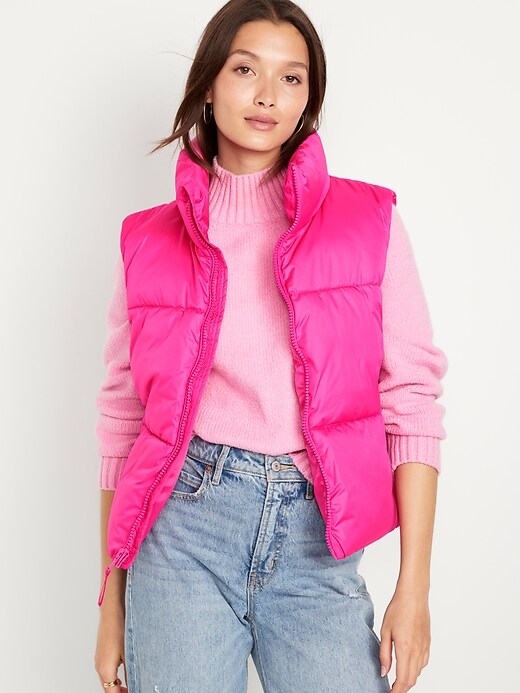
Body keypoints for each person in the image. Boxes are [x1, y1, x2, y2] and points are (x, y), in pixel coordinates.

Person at [94, 1, 448, 691]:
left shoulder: (369, 221)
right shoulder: (146, 240)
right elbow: (121, 421)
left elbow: (412, 402)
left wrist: (414, 588)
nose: (267, 95)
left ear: (309, 98)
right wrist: (112, 605)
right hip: (182, 532)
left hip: (316, 537)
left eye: (292, 78)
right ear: (207, 85)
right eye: (245, 69)